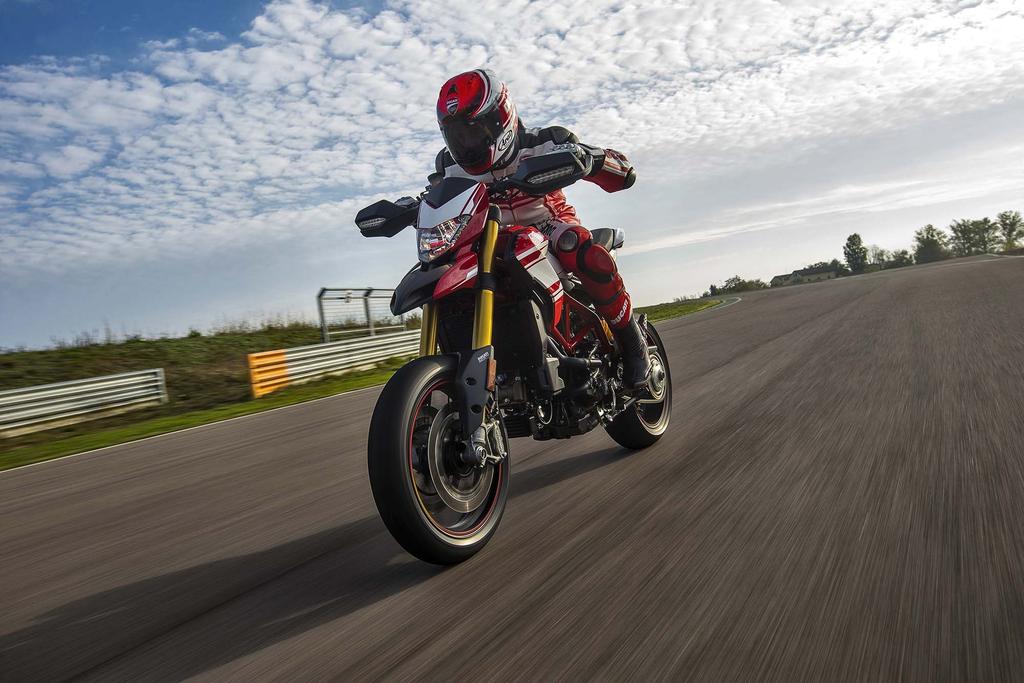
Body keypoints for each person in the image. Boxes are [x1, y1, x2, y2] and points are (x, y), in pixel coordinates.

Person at [432, 68, 651, 389]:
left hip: (551, 227)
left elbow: (624, 173)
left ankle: (633, 343)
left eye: (474, 131)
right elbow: (438, 198)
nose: (467, 144)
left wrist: (590, 159)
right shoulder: (448, 166)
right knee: (444, 270)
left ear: (501, 118)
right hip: (489, 239)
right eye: (458, 136)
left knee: (578, 247)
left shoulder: (547, 141)